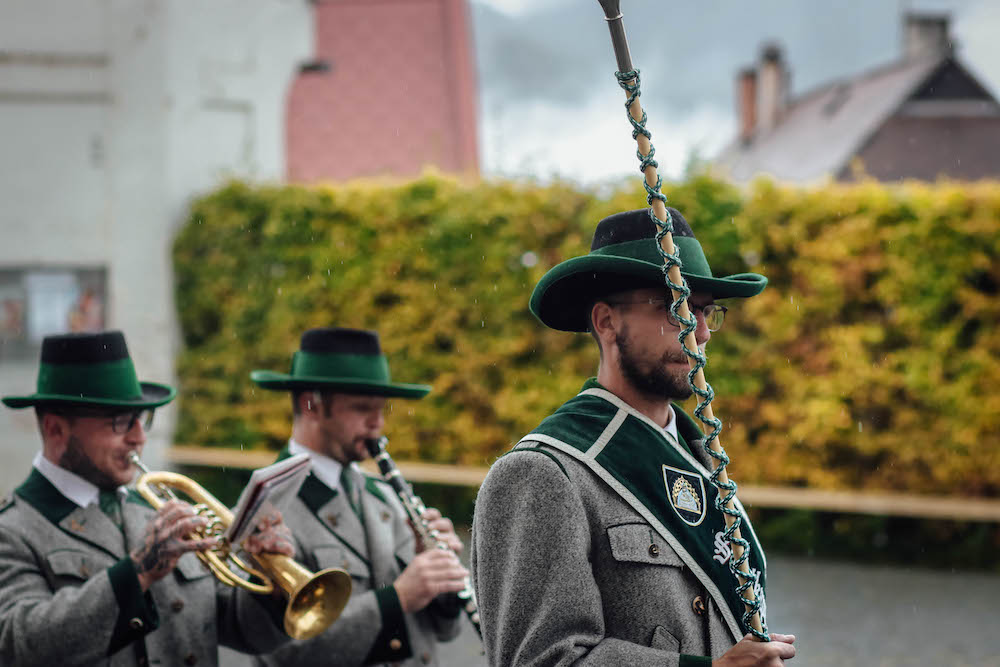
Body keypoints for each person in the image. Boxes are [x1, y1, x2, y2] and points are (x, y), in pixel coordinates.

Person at [471, 208, 797, 666]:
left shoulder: (701, 457)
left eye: (705, 311)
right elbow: (542, 661)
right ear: (606, 322)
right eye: (673, 307)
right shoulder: (541, 473)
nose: (699, 332)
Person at [0, 330, 296, 667]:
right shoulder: (12, 529)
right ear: (56, 430)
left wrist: (273, 583)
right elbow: (18, 646)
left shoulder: (148, 510)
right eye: (120, 422)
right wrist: (137, 572)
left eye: (142, 420)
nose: (139, 438)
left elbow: (239, 630)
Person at [250, 327, 466, 667]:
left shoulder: (384, 495)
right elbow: (279, 652)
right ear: (311, 404)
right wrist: (395, 600)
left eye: (382, 408)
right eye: (363, 407)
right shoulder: (263, 511)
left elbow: (441, 632)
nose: (378, 423)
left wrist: (443, 587)